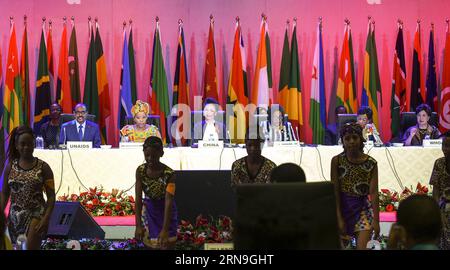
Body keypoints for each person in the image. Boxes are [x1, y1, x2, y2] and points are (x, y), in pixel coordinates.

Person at [0, 126, 55, 250]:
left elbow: (51, 197)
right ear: (16, 145)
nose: (26, 147)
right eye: (22, 144)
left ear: (34, 144)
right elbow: (4, 193)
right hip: (14, 218)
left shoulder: (44, 167)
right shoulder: (10, 167)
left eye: (29, 144)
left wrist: (46, 218)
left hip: (36, 215)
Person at [330, 122, 379, 250]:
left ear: (361, 139)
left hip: (363, 208)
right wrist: (338, 217)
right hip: (343, 207)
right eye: (347, 138)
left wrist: (377, 221)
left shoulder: (371, 163)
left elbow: (374, 193)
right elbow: (334, 191)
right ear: (343, 141)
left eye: (355, 137)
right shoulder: (337, 161)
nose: (351, 141)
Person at [134, 136, 177, 249]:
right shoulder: (140, 171)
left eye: (154, 156)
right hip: (149, 212)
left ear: (161, 153)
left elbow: (169, 202)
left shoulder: (169, 174)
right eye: (147, 155)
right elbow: (138, 199)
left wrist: (165, 229)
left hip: (166, 213)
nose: (150, 159)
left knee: (166, 243)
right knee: (149, 244)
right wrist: (138, 225)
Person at [429, 131, 450, 249]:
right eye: (443, 145)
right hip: (443, 209)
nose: (445, 149)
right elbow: (435, 191)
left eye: (448, 145)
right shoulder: (439, 163)